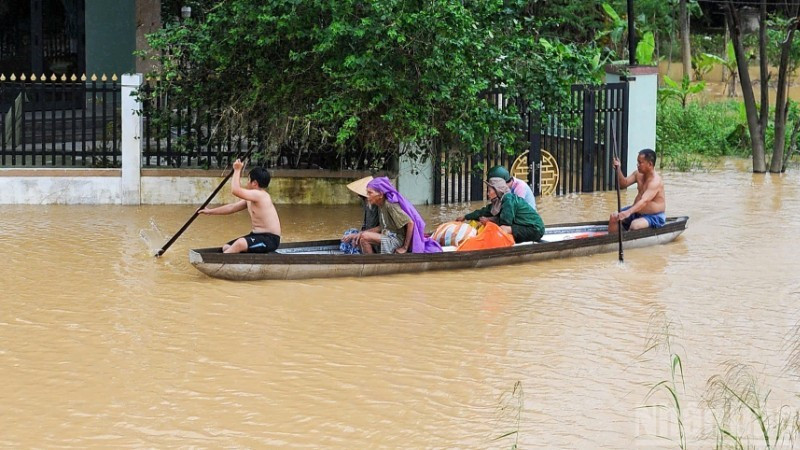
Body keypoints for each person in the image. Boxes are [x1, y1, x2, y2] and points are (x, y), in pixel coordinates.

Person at [198, 159, 281, 253]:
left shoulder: (260, 195)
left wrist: (237, 170)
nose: (247, 182)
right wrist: (210, 211)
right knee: (227, 247)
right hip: (255, 235)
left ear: (254, 183)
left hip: (270, 240)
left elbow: (235, 190)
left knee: (240, 244)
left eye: (248, 179)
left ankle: (221, 262)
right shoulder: (251, 198)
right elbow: (232, 207)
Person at [354, 177, 442, 254]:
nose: (368, 196)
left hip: (397, 239)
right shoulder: (380, 205)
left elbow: (410, 223)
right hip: (388, 235)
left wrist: (404, 247)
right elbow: (383, 226)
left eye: (370, 193)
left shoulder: (390, 205)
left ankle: (373, 265)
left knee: (364, 237)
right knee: (362, 238)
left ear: (380, 194)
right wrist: (361, 233)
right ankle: (372, 262)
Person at [456, 177, 545, 243]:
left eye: (489, 191)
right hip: (523, 226)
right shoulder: (499, 201)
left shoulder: (508, 200)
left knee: (503, 229)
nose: (488, 194)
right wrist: (465, 217)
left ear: (497, 190)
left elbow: (505, 222)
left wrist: (489, 221)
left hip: (535, 229)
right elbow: (483, 211)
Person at [608, 148, 666, 233]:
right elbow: (623, 183)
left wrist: (628, 212)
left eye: (640, 163)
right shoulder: (638, 174)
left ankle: (628, 241)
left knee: (635, 225)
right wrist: (618, 169)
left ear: (650, 164)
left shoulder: (655, 181)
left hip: (654, 216)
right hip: (636, 211)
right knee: (614, 217)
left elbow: (644, 201)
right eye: (637, 162)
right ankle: (612, 242)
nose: (637, 165)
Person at [340, 176, 379, 253]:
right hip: (367, 231)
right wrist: (357, 234)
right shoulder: (366, 203)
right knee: (349, 233)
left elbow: (381, 227)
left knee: (355, 238)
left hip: (374, 234)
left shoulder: (377, 204)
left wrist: (358, 235)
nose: (358, 195)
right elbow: (365, 224)